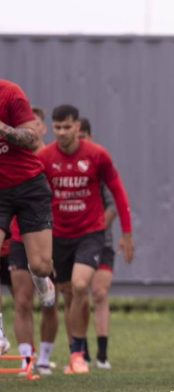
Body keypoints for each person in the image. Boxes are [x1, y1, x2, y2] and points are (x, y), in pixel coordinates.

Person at [38, 104, 134, 374]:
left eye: (67, 127)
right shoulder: (45, 157)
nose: (61, 132)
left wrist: (126, 233)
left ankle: (79, 355)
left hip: (90, 233)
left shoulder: (96, 155)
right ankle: (75, 353)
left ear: (78, 128)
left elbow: (119, 193)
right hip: (58, 235)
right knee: (69, 295)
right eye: (57, 127)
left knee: (81, 286)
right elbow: (33, 197)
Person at [8, 107, 60, 375]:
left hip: (42, 234)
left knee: (43, 278)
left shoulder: (47, 158)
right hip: (15, 237)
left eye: (37, 125)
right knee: (22, 301)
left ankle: (45, 356)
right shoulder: (13, 156)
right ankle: (26, 359)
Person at [0, 80, 55, 314]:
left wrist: (2, 129)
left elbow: (33, 139)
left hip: (28, 186)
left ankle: (42, 278)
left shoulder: (11, 93)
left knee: (41, 265)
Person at [77, 117, 124, 369]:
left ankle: (102, 353)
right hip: (74, 242)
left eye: (85, 135)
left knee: (100, 292)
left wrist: (94, 230)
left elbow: (112, 206)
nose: (81, 140)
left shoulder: (97, 164)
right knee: (78, 293)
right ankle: (80, 350)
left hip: (100, 240)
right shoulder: (63, 166)